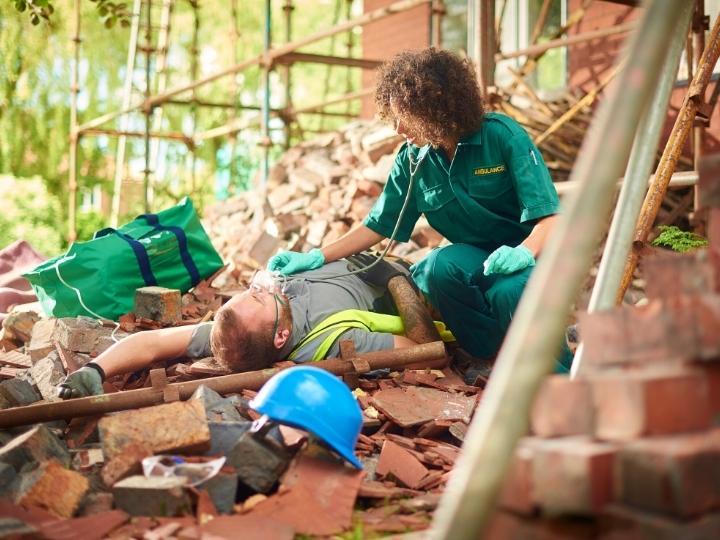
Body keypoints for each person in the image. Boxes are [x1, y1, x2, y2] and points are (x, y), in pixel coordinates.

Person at [268, 48, 572, 371]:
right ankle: (488, 358)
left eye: (404, 115)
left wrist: (523, 253)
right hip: (476, 256)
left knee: (507, 292)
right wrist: (316, 256)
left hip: (530, 252)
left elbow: (551, 219)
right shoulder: (412, 159)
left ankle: (558, 374)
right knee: (435, 269)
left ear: (434, 104)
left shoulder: (503, 137)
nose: (398, 127)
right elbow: (378, 225)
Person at [57, 258, 439, 399]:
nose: (259, 290)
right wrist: (395, 279)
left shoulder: (232, 336)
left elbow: (153, 341)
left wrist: (95, 369)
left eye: (248, 292)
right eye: (257, 297)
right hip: (397, 273)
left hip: (338, 255)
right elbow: (421, 347)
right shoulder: (333, 338)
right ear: (280, 337)